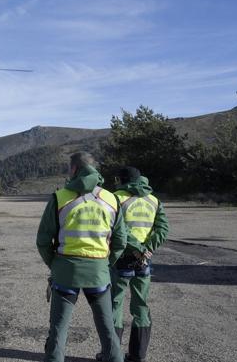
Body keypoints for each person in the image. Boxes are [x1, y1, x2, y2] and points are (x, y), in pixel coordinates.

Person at [36, 152, 132, 362]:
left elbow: (43, 240)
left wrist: (56, 264)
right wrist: (106, 264)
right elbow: (121, 241)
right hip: (98, 273)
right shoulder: (111, 198)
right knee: (108, 332)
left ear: (74, 170)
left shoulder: (59, 197)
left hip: (65, 273)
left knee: (58, 332)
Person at [108, 168, 169, 362]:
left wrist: (135, 247)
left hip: (122, 257)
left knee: (115, 304)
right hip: (145, 260)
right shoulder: (154, 200)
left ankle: (112, 354)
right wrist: (148, 248)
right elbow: (162, 228)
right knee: (141, 305)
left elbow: (119, 227)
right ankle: (137, 355)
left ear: (123, 180)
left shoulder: (117, 198)